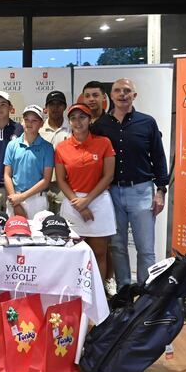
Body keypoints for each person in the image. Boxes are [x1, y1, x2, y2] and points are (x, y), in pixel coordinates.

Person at [91, 78, 169, 288]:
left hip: (142, 191)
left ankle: (147, 294)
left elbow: (159, 158)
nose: (122, 94)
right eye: (117, 90)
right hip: (112, 193)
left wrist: (161, 190)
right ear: (111, 96)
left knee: (145, 248)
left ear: (134, 96)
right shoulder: (100, 126)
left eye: (127, 91)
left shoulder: (147, 122)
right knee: (117, 246)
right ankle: (124, 291)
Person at [55, 103, 116, 281]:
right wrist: (80, 205)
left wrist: (87, 201)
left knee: (99, 253)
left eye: (82, 117)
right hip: (73, 203)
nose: (78, 121)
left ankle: (100, 298)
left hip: (98, 201)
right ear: (69, 122)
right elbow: (61, 179)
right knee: (74, 254)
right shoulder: (62, 147)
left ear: (90, 120)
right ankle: (77, 295)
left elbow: (108, 176)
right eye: (73, 118)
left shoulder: (103, 142)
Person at [3, 104, 54, 218]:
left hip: (37, 199)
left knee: (38, 235)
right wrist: (16, 202)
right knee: (13, 235)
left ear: (41, 124)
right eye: (26, 120)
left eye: (34, 120)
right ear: (22, 121)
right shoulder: (12, 145)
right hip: (14, 198)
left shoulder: (47, 147)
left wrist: (21, 198)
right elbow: (7, 175)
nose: (29, 123)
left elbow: (46, 180)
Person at [39, 90, 72, 214]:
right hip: (41, 183)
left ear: (64, 107)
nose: (55, 107)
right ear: (46, 108)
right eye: (51, 104)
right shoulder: (39, 128)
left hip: (63, 185)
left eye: (59, 104)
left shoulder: (72, 128)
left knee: (63, 223)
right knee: (40, 222)